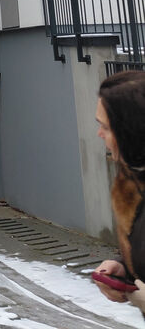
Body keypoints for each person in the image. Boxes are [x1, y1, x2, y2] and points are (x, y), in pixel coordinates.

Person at [93, 69, 145, 318]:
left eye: (106, 126)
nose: (99, 134)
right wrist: (124, 266)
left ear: (132, 131)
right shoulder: (134, 184)